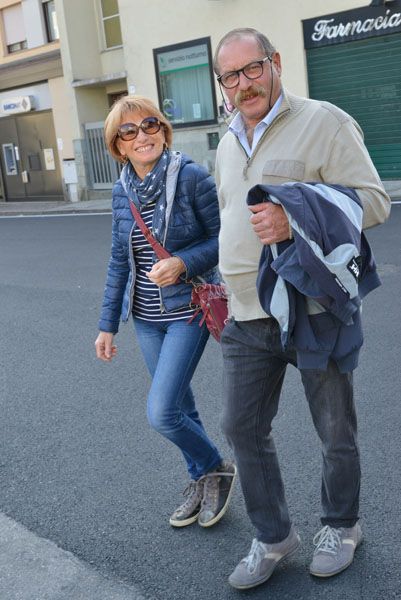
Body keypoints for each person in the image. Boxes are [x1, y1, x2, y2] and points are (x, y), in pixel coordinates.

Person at [213, 28, 391, 589]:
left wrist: (295, 217)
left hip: (314, 308)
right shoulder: (226, 142)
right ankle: (273, 536)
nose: (244, 84)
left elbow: (374, 201)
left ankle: (342, 525)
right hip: (247, 313)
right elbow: (230, 217)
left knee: (334, 429)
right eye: (230, 76)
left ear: (275, 63)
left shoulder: (325, 122)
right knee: (242, 427)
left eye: (252, 68)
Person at [95, 95, 236, 530]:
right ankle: (202, 478)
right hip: (146, 318)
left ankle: (216, 468)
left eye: (150, 124)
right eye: (129, 131)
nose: (142, 135)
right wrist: (106, 326)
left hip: (188, 310)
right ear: (118, 145)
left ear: (163, 130)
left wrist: (182, 263)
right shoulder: (122, 191)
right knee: (181, 405)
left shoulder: (190, 177)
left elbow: (225, 237)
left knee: (161, 412)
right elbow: (119, 260)